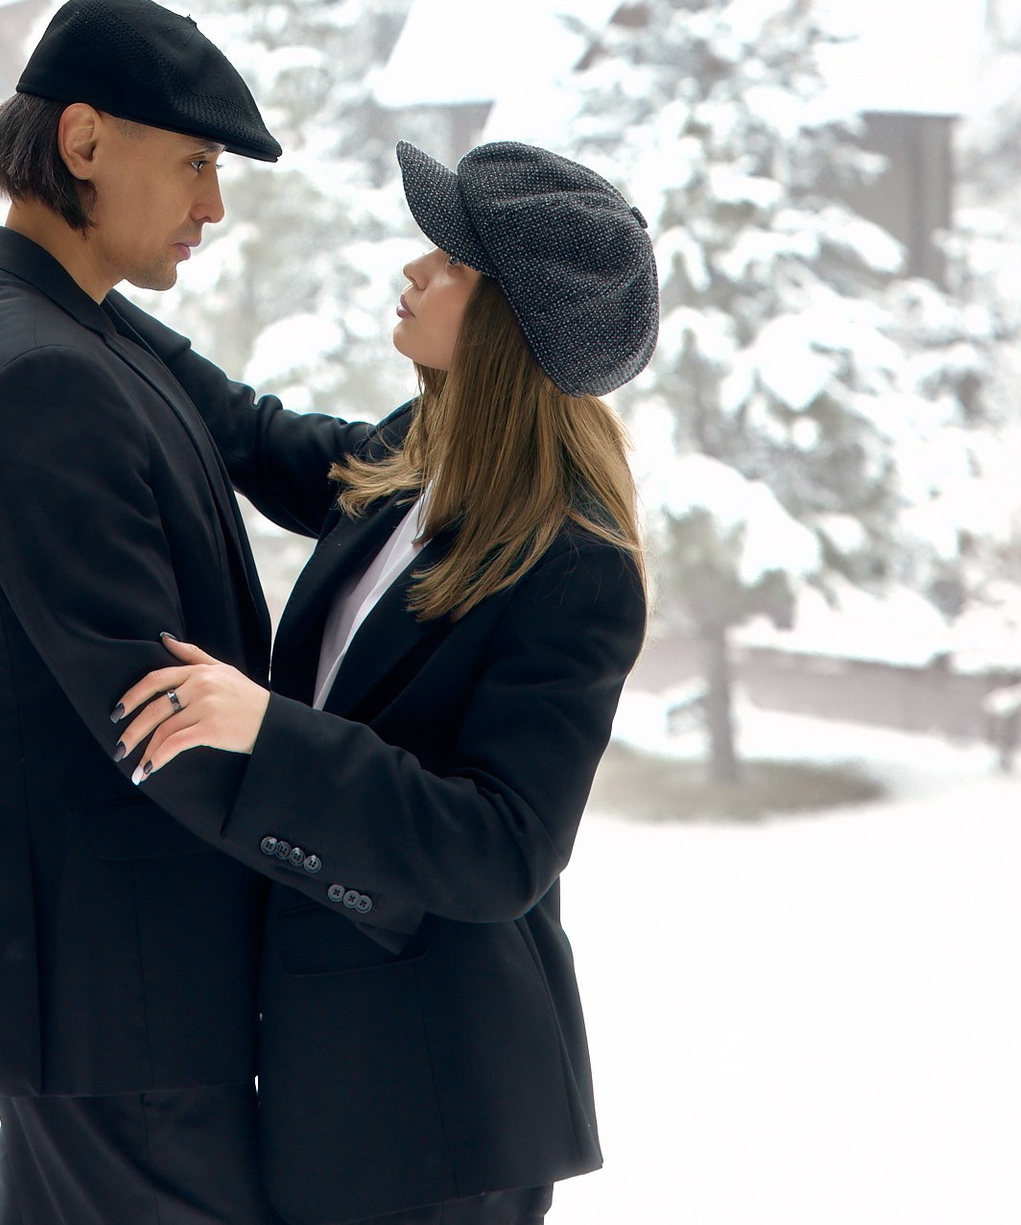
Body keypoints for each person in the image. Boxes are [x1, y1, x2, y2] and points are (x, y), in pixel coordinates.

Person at [0, 0, 378, 1225]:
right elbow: (158, 720)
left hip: (121, 1010)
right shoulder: (36, 370)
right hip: (128, 1014)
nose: (213, 207)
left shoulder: (62, 329)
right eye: (197, 164)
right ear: (85, 140)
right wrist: (381, 856)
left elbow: (270, 441)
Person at [112, 137, 657, 1225]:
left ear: (510, 323)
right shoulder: (425, 450)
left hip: (447, 1108)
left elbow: (502, 847)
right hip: (343, 1083)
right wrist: (66, 293)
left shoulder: (576, 562)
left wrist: (270, 731)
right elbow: (254, 435)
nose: (415, 268)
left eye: (450, 262)